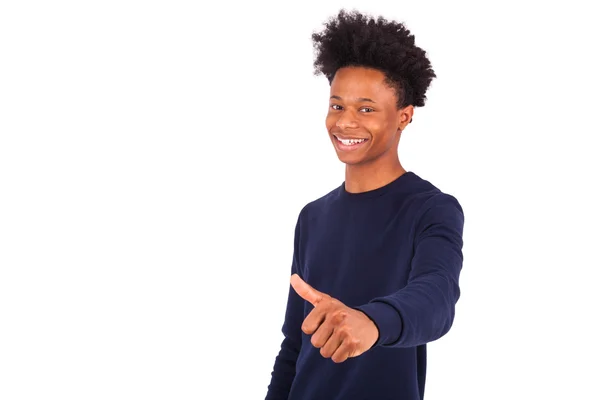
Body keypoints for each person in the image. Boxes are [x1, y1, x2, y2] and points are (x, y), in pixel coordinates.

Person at [265, 9, 465, 400]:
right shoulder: (312, 217)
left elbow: (437, 296)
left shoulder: (431, 209)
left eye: (366, 108)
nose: (345, 122)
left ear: (404, 117)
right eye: (337, 105)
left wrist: (372, 321)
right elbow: (294, 345)